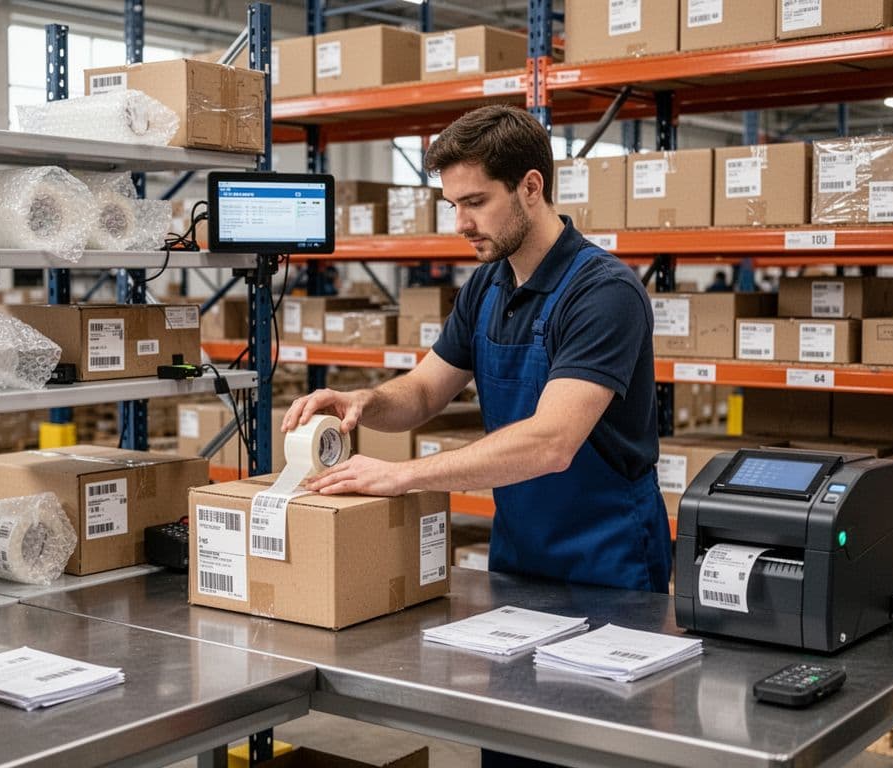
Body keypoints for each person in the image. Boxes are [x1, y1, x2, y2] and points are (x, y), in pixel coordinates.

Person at [283, 104, 669, 768]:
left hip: (610, 570)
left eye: (474, 202)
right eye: (452, 204)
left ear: (531, 187)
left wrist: (404, 475)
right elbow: (425, 392)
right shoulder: (487, 286)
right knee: (514, 745)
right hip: (519, 564)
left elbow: (552, 441)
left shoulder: (603, 293)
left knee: (594, 747)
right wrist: (362, 401)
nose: (460, 223)